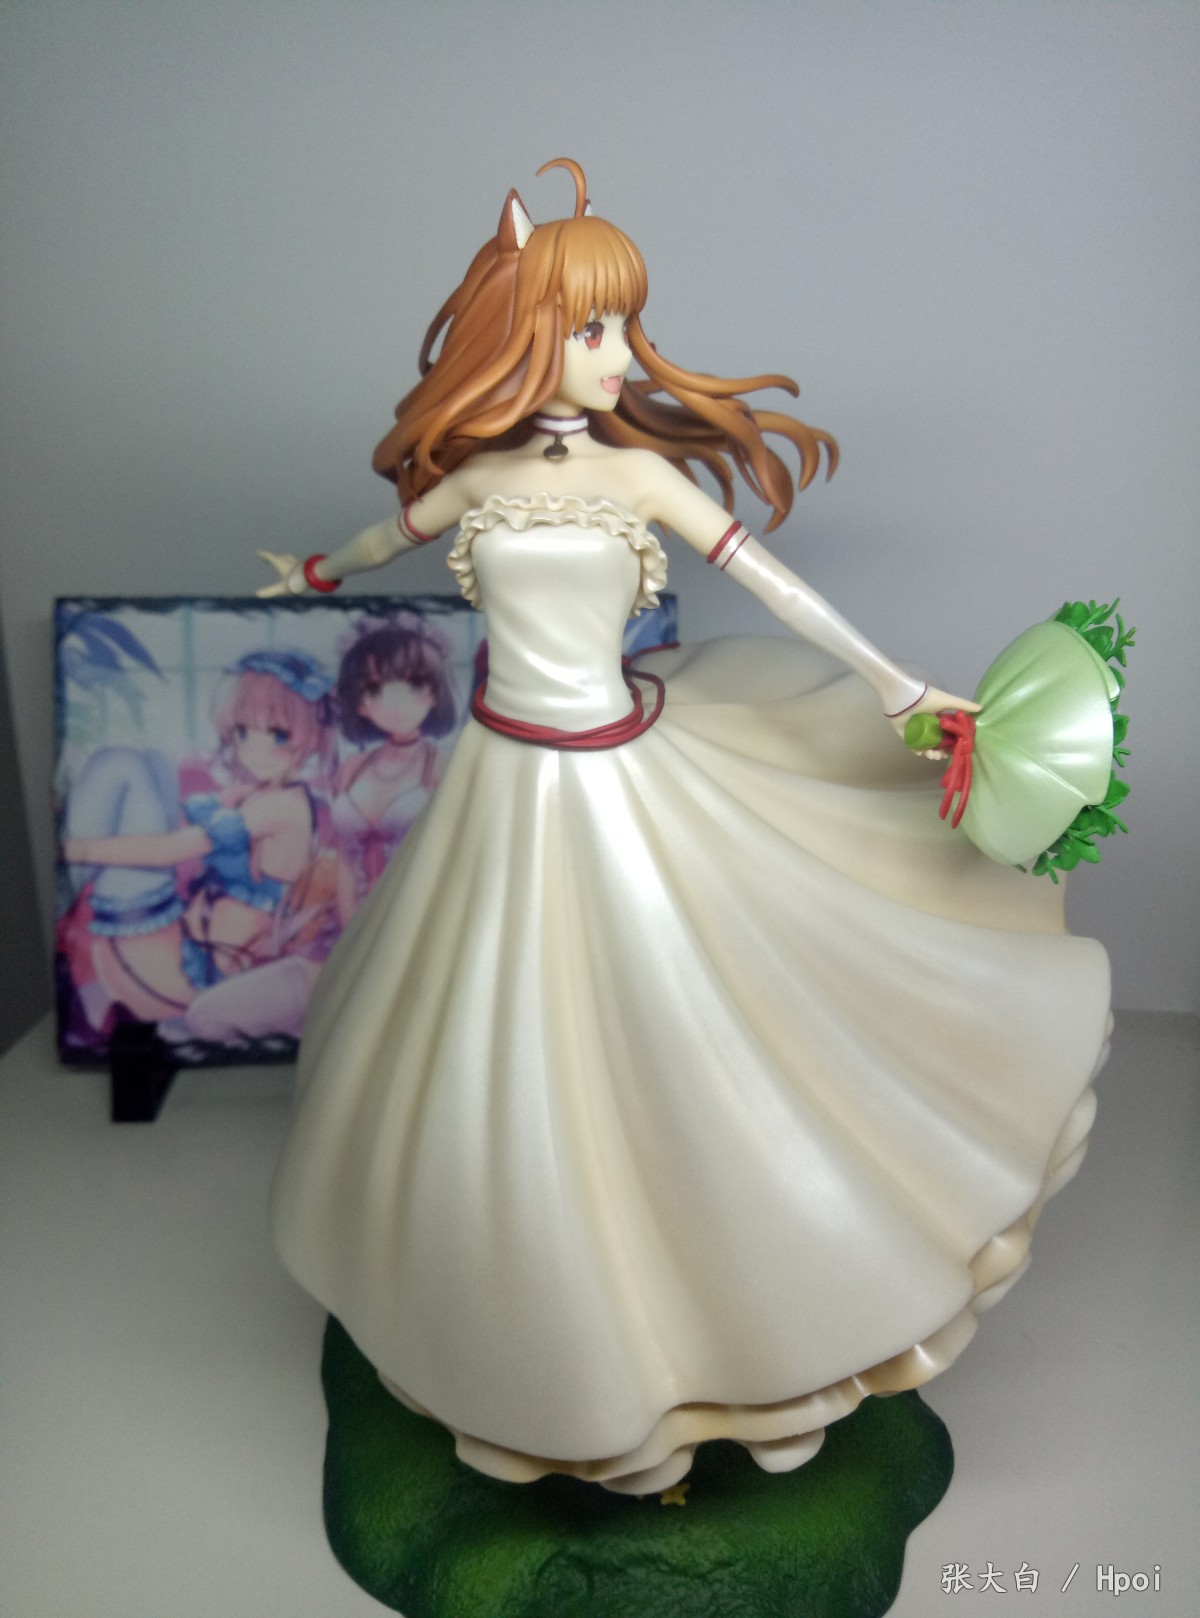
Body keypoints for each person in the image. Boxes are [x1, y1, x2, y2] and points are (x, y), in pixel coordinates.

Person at [261, 161, 1110, 1495]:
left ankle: (745, 1312)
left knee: (675, 1029)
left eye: (624, 327)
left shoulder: (641, 475)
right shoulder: (480, 481)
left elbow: (775, 586)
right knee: (485, 1044)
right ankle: (523, 1336)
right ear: (529, 335)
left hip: (612, 776)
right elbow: (383, 535)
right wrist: (311, 571)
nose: (619, 356)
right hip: (503, 783)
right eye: (593, 327)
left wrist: (895, 685)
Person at [62, 649, 336, 1029]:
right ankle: (65, 892)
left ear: (312, 737)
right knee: (154, 762)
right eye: (243, 733)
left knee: (118, 763)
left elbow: (172, 850)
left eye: (277, 735)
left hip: (185, 971)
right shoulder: (262, 794)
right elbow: (190, 814)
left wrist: (75, 850)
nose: (254, 750)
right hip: (180, 936)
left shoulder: (279, 808)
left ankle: (63, 890)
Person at [331, 616, 457, 924]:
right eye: (374, 688)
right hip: (358, 918)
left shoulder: (444, 767)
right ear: (359, 703)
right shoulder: (351, 769)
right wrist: (350, 928)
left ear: (436, 693)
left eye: (415, 684)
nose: (396, 703)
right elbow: (344, 860)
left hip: (423, 919)